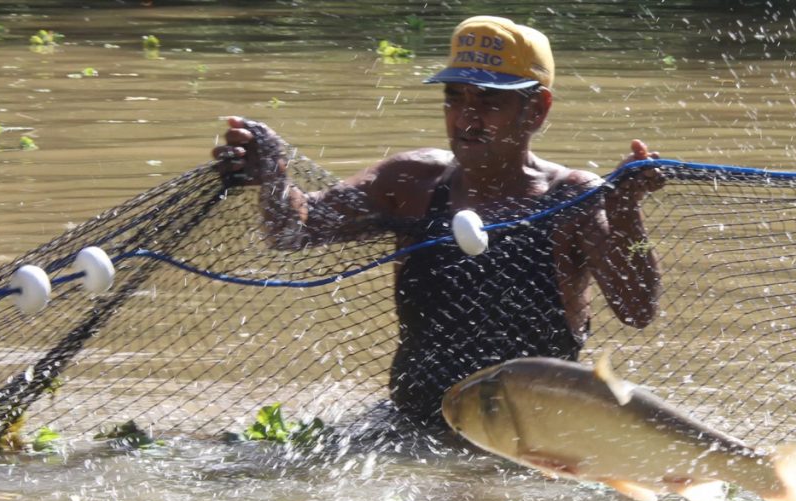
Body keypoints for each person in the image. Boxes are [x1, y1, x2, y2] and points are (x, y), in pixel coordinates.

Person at [213, 15, 664, 427]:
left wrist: (626, 213)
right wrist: (272, 173)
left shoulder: (572, 198)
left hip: (532, 436)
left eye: (488, 102)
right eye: (455, 98)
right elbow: (293, 229)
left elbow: (637, 309)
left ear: (538, 110)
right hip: (414, 426)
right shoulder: (411, 181)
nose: (467, 118)